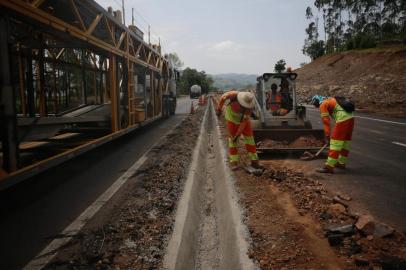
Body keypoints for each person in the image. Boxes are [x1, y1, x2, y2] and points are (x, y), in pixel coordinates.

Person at [216, 91, 260, 170]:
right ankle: (234, 162)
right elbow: (223, 98)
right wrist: (219, 109)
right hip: (232, 118)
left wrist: (238, 134)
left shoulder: (249, 108)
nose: (245, 107)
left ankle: (254, 162)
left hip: (243, 120)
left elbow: (244, 122)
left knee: (250, 140)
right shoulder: (233, 95)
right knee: (233, 140)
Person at [311, 95, 355, 173]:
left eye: (315, 105)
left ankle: (329, 167)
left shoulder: (323, 104)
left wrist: (327, 136)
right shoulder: (330, 100)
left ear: (316, 102)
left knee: (335, 143)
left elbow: (326, 122)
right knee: (345, 142)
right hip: (351, 117)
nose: (317, 107)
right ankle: (341, 163)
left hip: (343, 119)